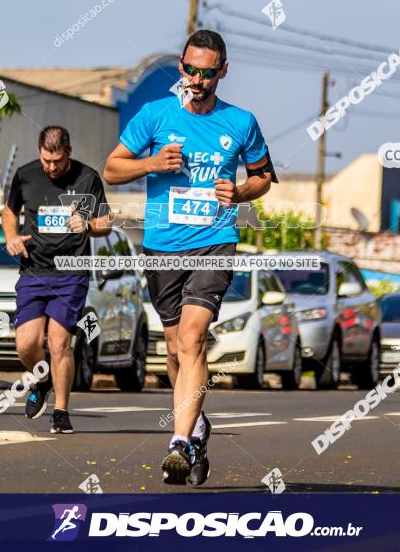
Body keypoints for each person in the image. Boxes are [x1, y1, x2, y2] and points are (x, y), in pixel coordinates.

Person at [103, 30, 276, 486]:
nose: (197, 79)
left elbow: (263, 178)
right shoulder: (154, 115)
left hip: (215, 240)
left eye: (206, 72)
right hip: (162, 246)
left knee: (195, 338)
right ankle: (196, 427)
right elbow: (112, 168)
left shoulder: (240, 122)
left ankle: (177, 443)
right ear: (181, 67)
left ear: (222, 71)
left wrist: (239, 191)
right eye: (190, 70)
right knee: (178, 348)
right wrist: (151, 164)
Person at [4, 126, 111, 433]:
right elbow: (9, 212)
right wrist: (11, 237)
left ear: (69, 152)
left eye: (57, 161)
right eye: (46, 160)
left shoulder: (87, 178)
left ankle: (61, 411)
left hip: (71, 272)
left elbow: (106, 221)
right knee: (26, 345)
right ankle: (42, 379)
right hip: (33, 269)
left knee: (59, 341)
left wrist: (87, 224)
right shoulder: (25, 175)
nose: (51, 167)